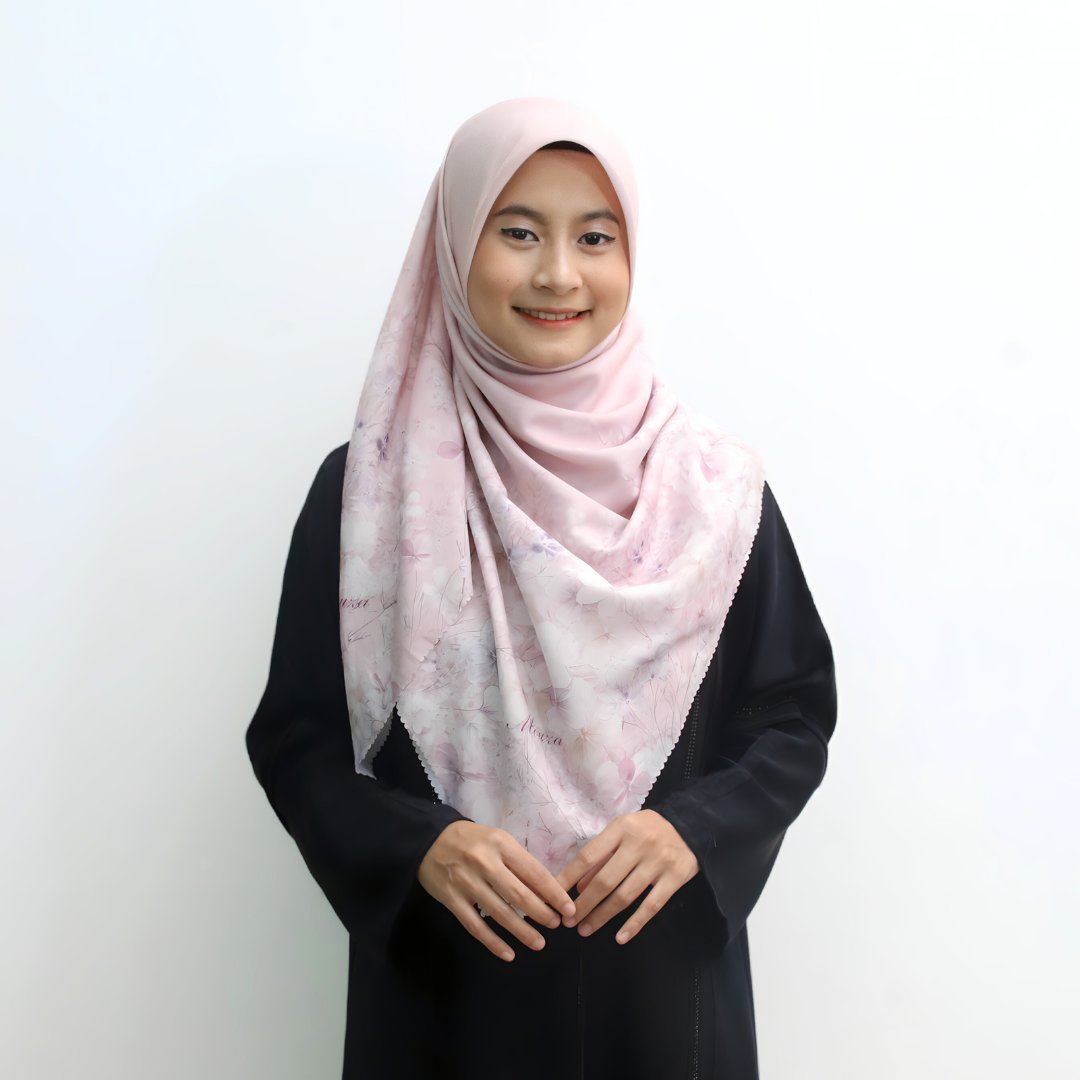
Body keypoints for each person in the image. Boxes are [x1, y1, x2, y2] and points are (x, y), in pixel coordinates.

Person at [245, 97, 836, 1080]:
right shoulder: (370, 495)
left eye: (594, 237)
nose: (559, 273)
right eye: (518, 232)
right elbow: (295, 737)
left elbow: (791, 715)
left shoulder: (712, 494)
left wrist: (692, 832)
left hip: (663, 1007)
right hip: (448, 1009)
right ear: (453, 247)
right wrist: (416, 846)